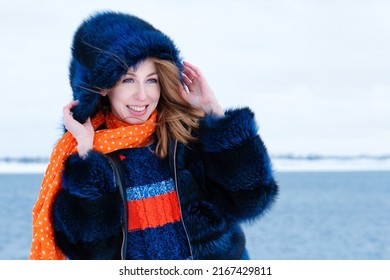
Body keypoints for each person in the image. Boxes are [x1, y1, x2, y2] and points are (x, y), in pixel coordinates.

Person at [29, 10, 278, 260]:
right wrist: (86, 153)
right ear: (103, 88)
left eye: (151, 80)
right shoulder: (89, 158)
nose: (142, 95)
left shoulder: (186, 134)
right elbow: (87, 251)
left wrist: (215, 113)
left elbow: (251, 199)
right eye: (128, 80)